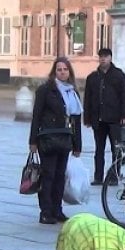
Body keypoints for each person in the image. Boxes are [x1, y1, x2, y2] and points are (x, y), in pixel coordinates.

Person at [29, 57, 83, 224]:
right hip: (48, 138)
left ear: (69, 72)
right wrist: (32, 141)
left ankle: (57, 209)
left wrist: (77, 144)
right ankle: (45, 211)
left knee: (61, 176)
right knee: (48, 175)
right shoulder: (45, 90)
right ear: (54, 72)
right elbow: (36, 116)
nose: (62, 72)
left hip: (65, 138)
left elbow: (76, 120)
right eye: (59, 69)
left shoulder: (72, 92)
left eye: (65, 69)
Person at [83, 48, 125, 185]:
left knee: (116, 149)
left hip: (114, 119)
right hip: (98, 119)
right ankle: (98, 177)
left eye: (106, 56)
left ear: (110, 58)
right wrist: (87, 118)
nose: (103, 59)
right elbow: (88, 99)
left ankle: (114, 176)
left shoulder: (119, 75)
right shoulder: (92, 77)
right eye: (101, 56)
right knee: (99, 149)